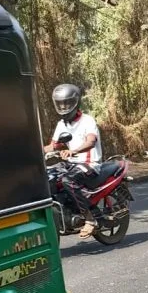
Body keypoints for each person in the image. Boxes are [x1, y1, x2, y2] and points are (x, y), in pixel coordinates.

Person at [44, 83, 103, 238]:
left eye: (67, 103)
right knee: (47, 176)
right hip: (71, 164)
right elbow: (53, 146)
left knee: (67, 181)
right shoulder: (61, 124)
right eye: (60, 104)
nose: (63, 107)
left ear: (75, 102)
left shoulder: (87, 120)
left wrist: (73, 151)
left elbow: (91, 141)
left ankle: (90, 219)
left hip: (89, 164)